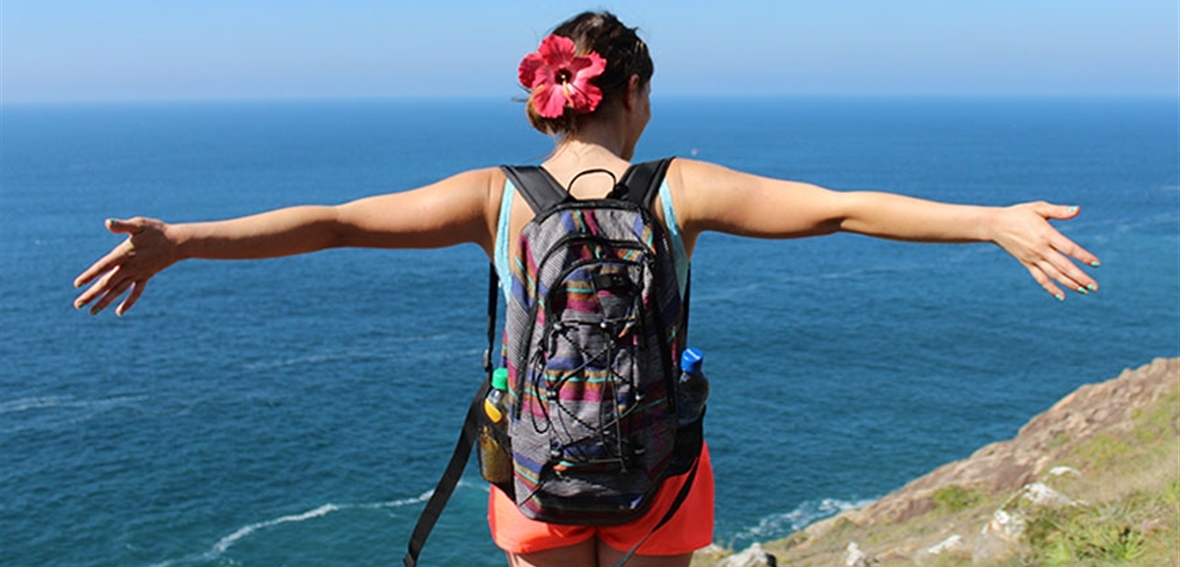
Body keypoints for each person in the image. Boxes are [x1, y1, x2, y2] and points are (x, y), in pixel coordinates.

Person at [72, 11, 1100, 567]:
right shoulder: (679, 189)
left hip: (535, 476)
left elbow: (335, 222)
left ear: (551, 99)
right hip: (657, 478)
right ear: (636, 93)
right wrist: (988, 220)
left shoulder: (494, 197)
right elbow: (837, 208)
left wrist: (184, 241)